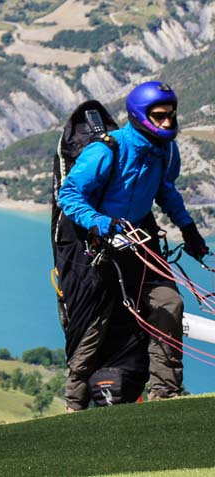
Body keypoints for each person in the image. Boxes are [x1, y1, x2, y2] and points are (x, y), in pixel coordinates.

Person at [57, 81, 210, 409]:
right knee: (93, 327)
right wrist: (103, 223)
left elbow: (165, 191)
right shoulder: (107, 150)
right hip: (96, 248)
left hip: (138, 243)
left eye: (171, 115)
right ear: (141, 116)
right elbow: (68, 196)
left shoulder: (164, 151)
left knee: (169, 303)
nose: (168, 121)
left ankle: (165, 394)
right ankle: (74, 405)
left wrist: (189, 229)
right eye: (160, 116)